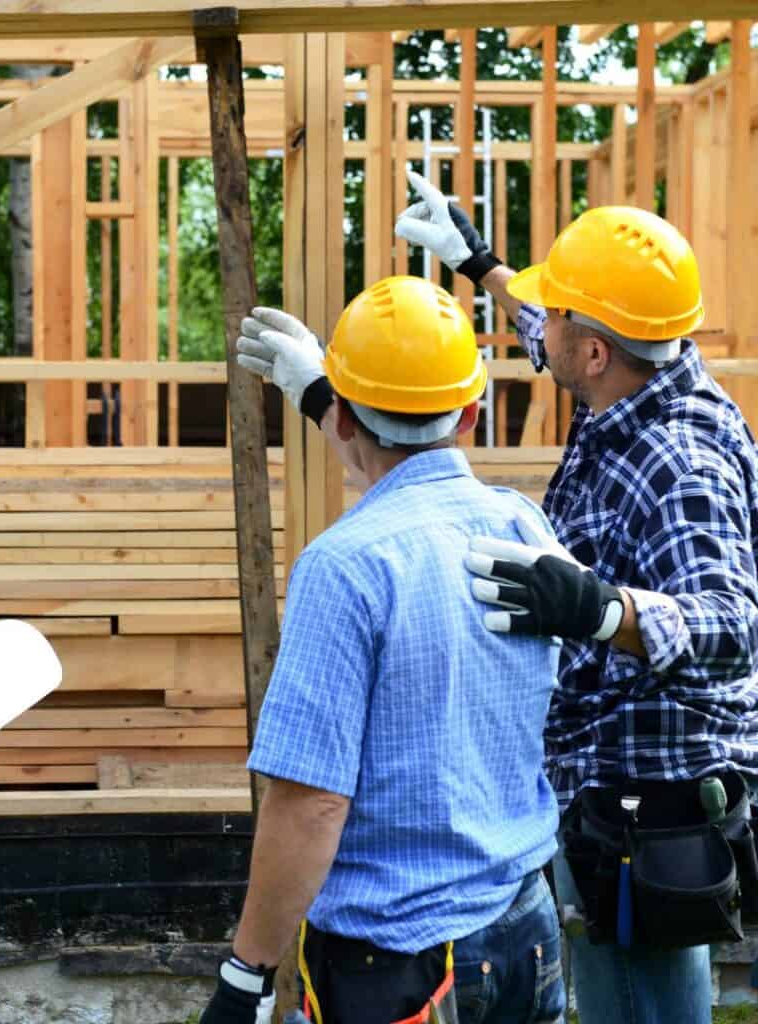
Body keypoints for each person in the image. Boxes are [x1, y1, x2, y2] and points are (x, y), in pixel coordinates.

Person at [396, 172, 758, 1023]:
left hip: (645, 806)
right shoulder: (637, 371)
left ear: (596, 351)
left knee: (642, 1003)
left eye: (558, 311)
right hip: (611, 792)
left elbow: (734, 625)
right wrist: (478, 261)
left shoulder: (680, 463)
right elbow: (551, 335)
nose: (541, 319)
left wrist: (602, 610)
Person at [198, 276, 565, 1024]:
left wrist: (246, 973)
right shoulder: (523, 527)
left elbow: (311, 804)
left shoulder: (346, 567)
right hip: (524, 923)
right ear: (470, 412)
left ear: (337, 414)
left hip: (402, 964)